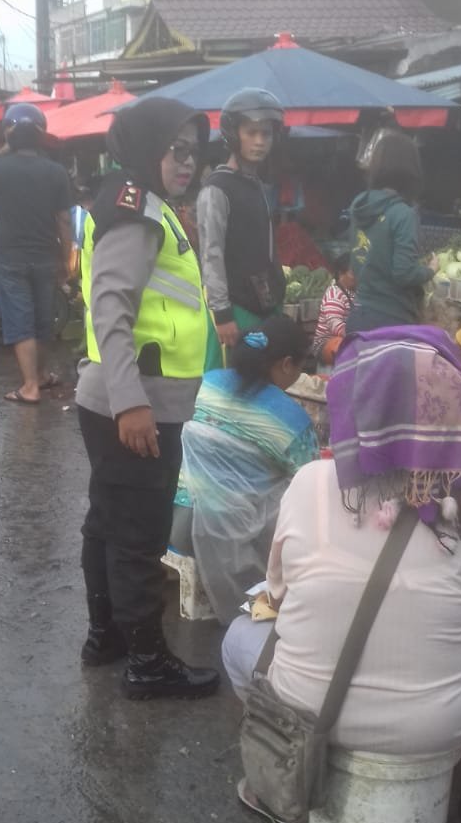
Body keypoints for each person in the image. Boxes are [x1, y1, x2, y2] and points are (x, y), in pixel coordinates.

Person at [223, 326, 461, 823]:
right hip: (437, 725)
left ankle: (282, 792)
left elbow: (279, 589)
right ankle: (446, 812)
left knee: (236, 639)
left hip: (307, 706)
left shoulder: (311, 484)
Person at [76, 97, 220, 699]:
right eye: (176, 149)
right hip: (136, 404)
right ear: (146, 148)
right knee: (137, 532)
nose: (187, 162)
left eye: (195, 151)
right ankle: (147, 662)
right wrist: (132, 403)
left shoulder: (130, 200)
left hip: (116, 397)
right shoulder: (136, 210)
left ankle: (106, 636)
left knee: (108, 523)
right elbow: (111, 306)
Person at [173, 316, 319, 624]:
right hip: (229, 541)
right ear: (286, 364)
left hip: (173, 521)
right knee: (301, 498)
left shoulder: (207, 381)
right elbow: (311, 485)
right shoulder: (292, 420)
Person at [0, 103, 73, 404]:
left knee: (21, 320)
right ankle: (40, 377)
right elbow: (64, 220)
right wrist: (67, 257)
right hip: (47, 256)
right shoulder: (56, 172)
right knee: (44, 320)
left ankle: (30, 386)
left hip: (11, 258)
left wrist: (4, 149)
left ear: (9, 133)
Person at [197, 88, 286, 361]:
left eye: (266, 134)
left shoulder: (257, 185)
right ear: (234, 134)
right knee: (228, 392)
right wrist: (222, 314)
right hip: (235, 312)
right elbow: (211, 254)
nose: (260, 141)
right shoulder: (217, 189)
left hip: (265, 308)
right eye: (251, 133)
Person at [347, 130, 438, 332]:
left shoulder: (359, 204)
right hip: (390, 321)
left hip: (359, 313)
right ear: (411, 169)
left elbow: (356, 260)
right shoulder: (403, 214)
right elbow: (404, 273)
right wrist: (430, 269)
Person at [312, 252, 358, 366]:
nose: (358, 277)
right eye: (353, 273)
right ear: (341, 273)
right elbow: (336, 327)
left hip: (349, 337)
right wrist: (359, 334)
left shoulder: (356, 293)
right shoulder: (334, 295)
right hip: (326, 344)